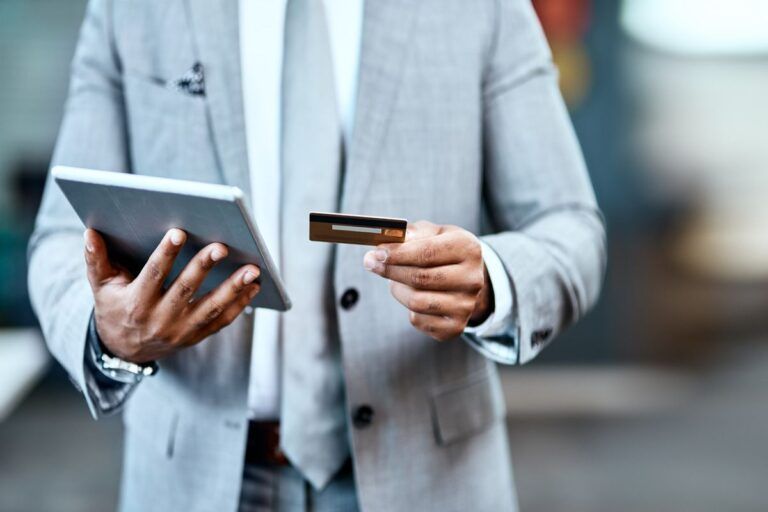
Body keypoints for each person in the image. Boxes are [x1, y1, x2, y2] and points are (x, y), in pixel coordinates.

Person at [28, 0, 606, 511]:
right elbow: (61, 234)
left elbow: (570, 226)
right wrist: (108, 328)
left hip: (429, 473)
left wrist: (491, 282)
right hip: (190, 475)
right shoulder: (129, 8)